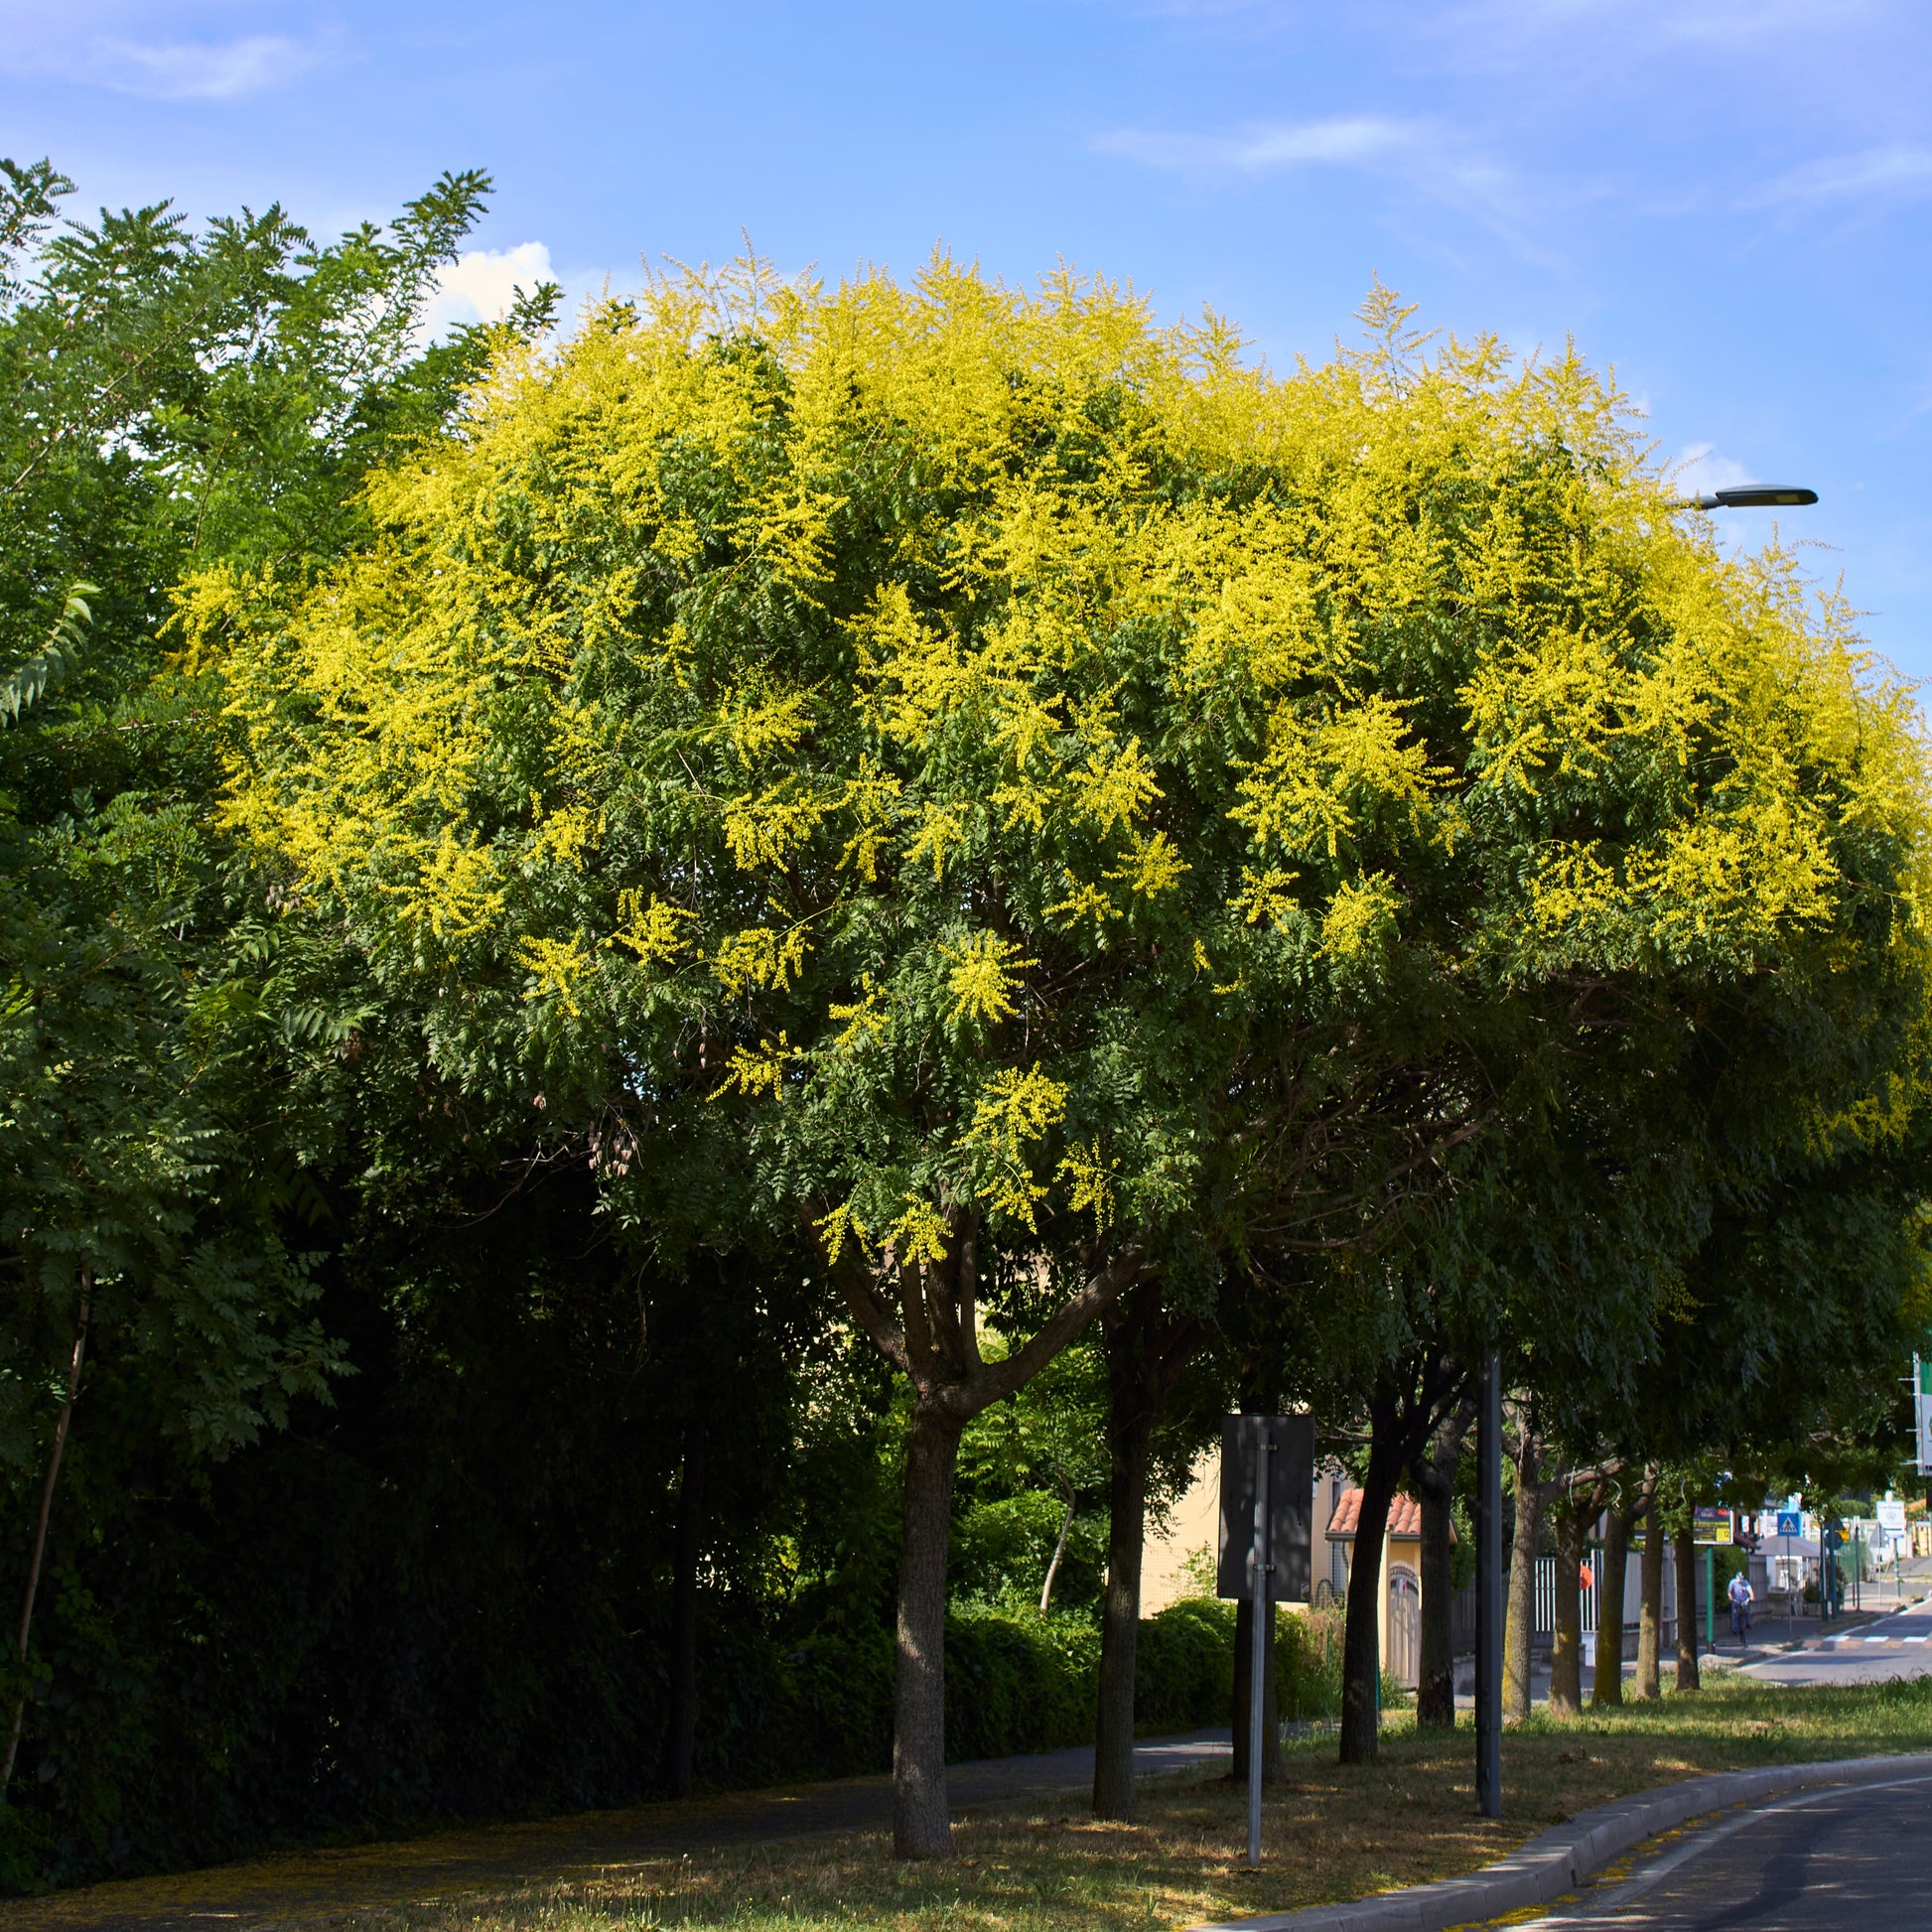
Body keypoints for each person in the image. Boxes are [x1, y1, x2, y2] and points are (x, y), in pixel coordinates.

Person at [1727, 1567, 1754, 1642]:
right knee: (1735, 1614)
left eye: (1741, 1578)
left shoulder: (1745, 1583)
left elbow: (1750, 1591)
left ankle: (1748, 1624)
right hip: (1736, 1601)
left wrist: (1752, 1597)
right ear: (1736, 1577)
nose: (1740, 1580)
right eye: (1739, 1578)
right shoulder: (1732, 1582)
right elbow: (1729, 1591)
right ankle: (1735, 1629)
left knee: (1746, 1612)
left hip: (1744, 1601)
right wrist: (1730, 1597)